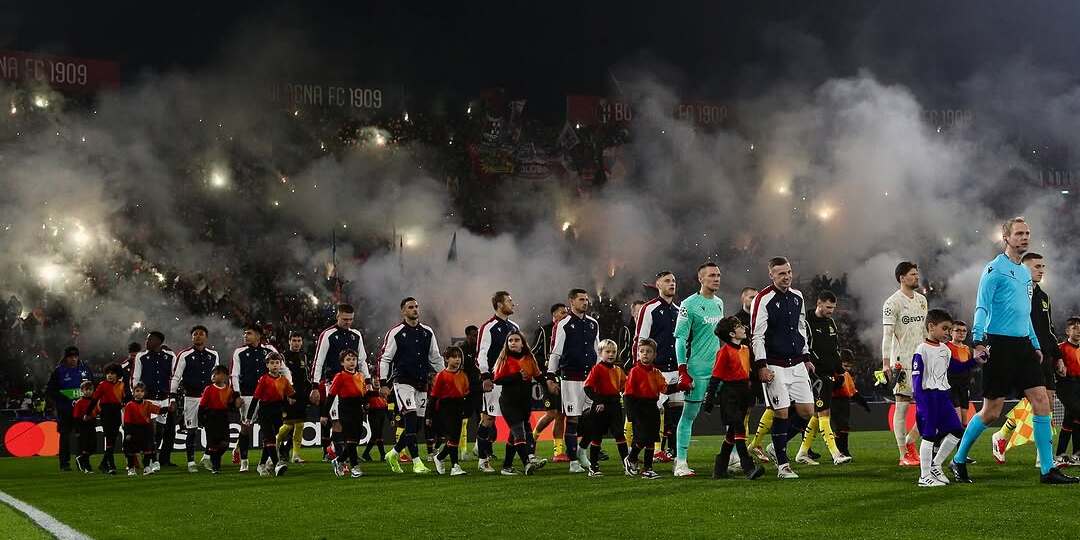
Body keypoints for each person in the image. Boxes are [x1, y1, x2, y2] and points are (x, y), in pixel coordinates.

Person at [950, 217, 1077, 484]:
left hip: (1023, 347)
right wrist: (978, 340)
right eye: (1019, 233)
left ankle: (1047, 469)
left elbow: (1026, 314)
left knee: (1042, 402)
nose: (1024, 237)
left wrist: (1034, 342)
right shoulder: (994, 269)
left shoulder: (1024, 273)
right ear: (1006, 238)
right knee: (992, 411)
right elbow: (982, 307)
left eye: (1027, 233)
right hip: (999, 345)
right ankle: (958, 459)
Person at [991, 252, 1066, 465]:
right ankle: (1043, 458)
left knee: (1042, 403)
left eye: (1043, 266)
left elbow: (1049, 329)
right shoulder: (1014, 293)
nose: (1041, 270)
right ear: (1024, 269)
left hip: (1046, 356)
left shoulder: (1044, 297)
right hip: (1024, 354)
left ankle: (1004, 437)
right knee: (1039, 402)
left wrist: (1058, 356)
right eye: (1037, 266)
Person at [751, 256, 814, 479]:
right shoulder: (762, 299)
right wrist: (761, 365)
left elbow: (801, 327)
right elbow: (757, 335)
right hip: (774, 366)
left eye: (788, 272)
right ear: (771, 275)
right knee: (782, 412)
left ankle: (775, 447)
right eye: (781, 273)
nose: (786, 276)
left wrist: (806, 356)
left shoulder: (797, 297)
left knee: (807, 411)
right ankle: (783, 466)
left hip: (796, 363)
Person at [380, 297, 445, 474]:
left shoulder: (427, 332)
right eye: (411, 307)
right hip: (403, 382)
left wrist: (446, 376)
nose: (415, 309)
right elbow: (385, 359)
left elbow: (435, 358)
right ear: (403, 311)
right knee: (409, 420)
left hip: (422, 383)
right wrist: (383, 383)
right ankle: (417, 462)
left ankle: (393, 453)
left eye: (416, 307)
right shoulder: (396, 332)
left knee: (416, 426)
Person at [672, 262, 725, 477]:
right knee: (690, 415)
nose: (717, 279)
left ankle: (731, 456)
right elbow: (680, 339)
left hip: (718, 370)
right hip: (697, 369)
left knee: (730, 413)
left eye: (719, 275)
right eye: (712, 275)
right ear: (700, 279)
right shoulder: (688, 304)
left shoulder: (720, 303)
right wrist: (683, 370)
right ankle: (681, 462)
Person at [912, 309, 971, 487]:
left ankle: (936, 465)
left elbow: (957, 368)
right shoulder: (921, 349)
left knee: (956, 430)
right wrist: (921, 403)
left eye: (949, 329)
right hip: (928, 398)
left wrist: (976, 361)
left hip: (943, 396)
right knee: (929, 436)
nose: (947, 332)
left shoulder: (945, 350)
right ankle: (924, 476)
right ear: (931, 327)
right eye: (945, 328)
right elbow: (916, 379)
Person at [546, 288, 602, 473]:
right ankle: (573, 462)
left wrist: (602, 372)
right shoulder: (563, 324)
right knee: (573, 419)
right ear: (571, 302)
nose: (585, 302)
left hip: (590, 379)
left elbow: (598, 350)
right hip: (570, 378)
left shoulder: (593, 323)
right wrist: (551, 376)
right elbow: (556, 351)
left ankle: (582, 450)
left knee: (594, 418)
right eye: (581, 299)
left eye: (586, 299)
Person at [704, 316, 766, 480]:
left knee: (732, 433)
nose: (743, 327)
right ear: (732, 333)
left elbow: (750, 375)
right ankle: (748, 467)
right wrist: (710, 397)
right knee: (739, 428)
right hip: (729, 395)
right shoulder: (724, 352)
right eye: (739, 326)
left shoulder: (745, 349)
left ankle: (719, 469)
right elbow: (716, 376)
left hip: (743, 393)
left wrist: (756, 392)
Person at [796, 291, 853, 466]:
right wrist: (816, 368)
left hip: (828, 374)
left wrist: (839, 371)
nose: (831, 311)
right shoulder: (806, 323)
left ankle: (802, 452)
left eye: (833, 308)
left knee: (817, 414)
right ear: (819, 303)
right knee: (824, 413)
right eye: (828, 307)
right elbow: (806, 349)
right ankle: (836, 454)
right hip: (815, 374)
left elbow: (835, 348)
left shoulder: (830, 323)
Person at [881, 261, 928, 466]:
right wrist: (885, 363)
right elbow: (887, 334)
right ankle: (903, 454)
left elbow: (925, 331)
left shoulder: (922, 300)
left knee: (928, 407)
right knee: (901, 407)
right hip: (902, 361)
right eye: (912, 274)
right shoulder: (892, 303)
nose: (916, 277)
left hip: (922, 359)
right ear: (902, 277)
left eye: (917, 274)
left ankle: (910, 441)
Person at [308, 304, 368, 462]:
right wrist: (314, 386)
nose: (348, 322)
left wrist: (367, 381)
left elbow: (362, 360)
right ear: (337, 316)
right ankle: (343, 456)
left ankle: (338, 451)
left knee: (352, 423)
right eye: (345, 319)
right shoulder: (328, 334)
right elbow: (318, 361)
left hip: (354, 384)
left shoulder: (356, 335)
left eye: (351, 319)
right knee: (337, 421)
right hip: (333, 382)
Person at [634, 271, 681, 463]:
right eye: (667, 281)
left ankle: (675, 453)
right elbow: (640, 339)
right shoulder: (649, 308)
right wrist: (639, 369)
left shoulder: (679, 310)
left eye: (674, 280)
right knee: (651, 413)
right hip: (657, 369)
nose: (672, 284)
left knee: (677, 412)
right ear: (658, 285)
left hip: (676, 368)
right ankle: (638, 449)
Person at [231, 324, 288, 472]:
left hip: (268, 398)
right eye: (245, 333)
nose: (245, 336)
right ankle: (244, 461)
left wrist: (288, 386)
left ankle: (264, 462)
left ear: (258, 336)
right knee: (245, 428)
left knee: (271, 431)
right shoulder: (239, 352)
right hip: (248, 395)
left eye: (249, 333)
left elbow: (284, 368)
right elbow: (234, 374)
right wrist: (236, 394)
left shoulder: (270, 350)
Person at [476, 291, 520, 472]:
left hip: (513, 382)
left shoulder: (514, 326)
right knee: (488, 419)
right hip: (495, 381)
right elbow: (482, 354)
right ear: (500, 304)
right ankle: (482, 460)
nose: (513, 304)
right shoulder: (489, 327)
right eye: (510, 301)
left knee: (517, 420)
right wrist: (486, 376)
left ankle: (512, 462)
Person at [493, 331, 546, 475]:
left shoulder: (529, 358)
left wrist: (549, 386)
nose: (513, 343)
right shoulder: (504, 359)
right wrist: (516, 376)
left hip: (524, 403)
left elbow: (538, 376)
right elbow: (497, 379)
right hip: (508, 403)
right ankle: (527, 463)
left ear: (522, 343)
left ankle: (507, 466)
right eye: (510, 340)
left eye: (516, 340)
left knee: (513, 436)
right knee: (519, 432)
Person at [170, 325, 220, 473]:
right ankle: (190, 461)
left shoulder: (213, 354)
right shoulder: (184, 355)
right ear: (192, 337)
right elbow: (176, 377)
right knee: (191, 431)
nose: (198, 336)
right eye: (195, 334)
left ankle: (207, 457)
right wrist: (172, 396)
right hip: (191, 398)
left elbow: (217, 377)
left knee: (212, 431)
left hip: (209, 398)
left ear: (206, 337)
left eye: (201, 334)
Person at [623, 339, 676, 479]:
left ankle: (648, 468)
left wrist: (681, 386)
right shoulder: (634, 371)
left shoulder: (657, 373)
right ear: (638, 354)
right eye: (642, 351)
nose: (645, 354)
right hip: (638, 407)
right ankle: (631, 458)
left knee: (652, 438)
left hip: (653, 407)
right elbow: (628, 394)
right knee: (642, 438)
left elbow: (665, 389)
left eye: (649, 351)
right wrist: (630, 413)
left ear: (654, 355)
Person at [582, 339, 629, 477]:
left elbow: (624, 386)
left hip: (615, 405)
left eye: (614, 352)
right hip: (600, 407)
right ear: (600, 353)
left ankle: (627, 464)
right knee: (597, 436)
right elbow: (587, 387)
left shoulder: (618, 370)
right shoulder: (597, 369)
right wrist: (599, 401)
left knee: (620, 434)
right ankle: (594, 467)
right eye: (607, 351)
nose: (611, 354)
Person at [246, 351, 296, 477]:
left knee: (271, 440)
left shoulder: (284, 380)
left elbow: (291, 396)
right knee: (270, 438)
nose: (275, 365)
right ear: (267, 365)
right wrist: (249, 416)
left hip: (277, 411)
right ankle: (277, 464)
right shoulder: (264, 379)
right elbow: (255, 398)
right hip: (265, 411)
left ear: (280, 365)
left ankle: (261, 465)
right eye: (272, 363)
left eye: (277, 363)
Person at [132, 331, 178, 470]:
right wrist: (137, 396)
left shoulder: (170, 356)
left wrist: (173, 397)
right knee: (151, 430)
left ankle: (154, 458)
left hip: (164, 399)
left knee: (161, 431)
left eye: (150, 339)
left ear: (159, 341)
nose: (147, 342)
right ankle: (152, 459)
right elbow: (136, 377)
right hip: (148, 399)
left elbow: (175, 377)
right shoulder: (141, 356)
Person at [45, 345, 92, 471]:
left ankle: (81, 461)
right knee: (65, 436)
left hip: (82, 411)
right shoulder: (59, 371)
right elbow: (50, 391)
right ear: (65, 358)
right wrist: (63, 397)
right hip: (65, 410)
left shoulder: (85, 369)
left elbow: (93, 386)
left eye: (75, 357)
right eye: (71, 357)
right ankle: (64, 463)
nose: (73, 359)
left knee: (82, 437)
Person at [532, 303, 569, 462]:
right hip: (548, 377)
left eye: (566, 312)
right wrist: (543, 370)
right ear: (554, 314)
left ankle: (558, 452)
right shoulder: (543, 330)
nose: (566, 315)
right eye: (562, 312)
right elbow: (534, 353)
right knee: (552, 414)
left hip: (565, 376)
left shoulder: (569, 329)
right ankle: (533, 437)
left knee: (561, 414)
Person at [328, 349, 369, 478]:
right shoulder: (339, 376)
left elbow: (363, 394)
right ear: (342, 363)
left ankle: (339, 460)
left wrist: (366, 403)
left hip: (358, 409)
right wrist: (324, 414)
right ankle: (355, 467)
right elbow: (331, 396)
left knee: (354, 441)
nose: (351, 362)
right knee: (350, 439)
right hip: (345, 409)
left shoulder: (361, 376)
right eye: (348, 360)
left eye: (353, 359)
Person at [430, 346, 470, 476]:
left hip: (459, 407)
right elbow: (434, 396)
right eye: (454, 357)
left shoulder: (463, 375)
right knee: (452, 436)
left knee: (455, 439)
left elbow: (465, 393)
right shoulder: (441, 375)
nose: (457, 360)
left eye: (459, 357)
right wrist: (429, 416)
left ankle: (440, 457)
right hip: (445, 408)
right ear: (446, 359)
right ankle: (455, 466)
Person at [198, 365, 241, 474]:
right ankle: (216, 467)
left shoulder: (229, 390)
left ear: (224, 376)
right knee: (213, 444)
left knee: (225, 443)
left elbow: (231, 406)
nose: (213, 376)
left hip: (223, 418)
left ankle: (214, 459)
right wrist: (201, 420)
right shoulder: (209, 389)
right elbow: (202, 406)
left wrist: (237, 405)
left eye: (216, 374)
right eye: (213, 374)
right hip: (211, 418)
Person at [277, 332, 310, 464]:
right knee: (288, 426)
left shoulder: (304, 356)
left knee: (300, 425)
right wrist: (288, 394)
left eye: (299, 340)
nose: (296, 343)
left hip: (301, 395)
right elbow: (282, 376)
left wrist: (311, 391)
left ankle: (295, 455)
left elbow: (305, 376)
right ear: (289, 341)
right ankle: (275, 445)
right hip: (288, 395)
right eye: (294, 340)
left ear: (302, 342)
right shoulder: (283, 356)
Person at [831, 350, 870, 458]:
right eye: (845, 365)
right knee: (840, 427)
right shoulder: (834, 372)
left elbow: (853, 392)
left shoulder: (846, 375)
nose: (848, 368)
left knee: (844, 427)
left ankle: (843, 451)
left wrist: (864, 404)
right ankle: (840, 452)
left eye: (849, 365)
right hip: (834, 402)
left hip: (845, 402)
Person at [123, 382, 162, 476]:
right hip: (134, 429)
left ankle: (147, 467)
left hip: (146, 429)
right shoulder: (129, 405)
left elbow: (159, 410)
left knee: (147, 448)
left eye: (141, 391)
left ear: (144, 393)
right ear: (133, 392)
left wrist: (168, 408)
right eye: (137, 391)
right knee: (131, 450)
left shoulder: (148, 404)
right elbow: (127, 421)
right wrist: (128, 433)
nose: (139, 393)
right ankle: (131, 468)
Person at [93, 363, 126, 474]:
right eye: (108, 373)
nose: (109, 375)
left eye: (112, 373)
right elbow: (94, 399)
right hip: (106, 413)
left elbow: (126, 400)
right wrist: (88, 413)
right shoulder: (102, 385)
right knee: (109, 438)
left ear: (117, 375)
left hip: (117, 413)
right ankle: (111, 465)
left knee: (112, 439)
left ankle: (103, 463)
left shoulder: (122, 385)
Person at [1055, 318, 1080, 462]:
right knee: (1077, 413)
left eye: (1079, 327)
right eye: (1074, 327)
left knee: (1070, 418)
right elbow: (1053, 365)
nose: (1078, 330)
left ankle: (1063, 454)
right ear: (1067, 331)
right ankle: (1076, 453)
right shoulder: (1060, 348)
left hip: (1078, 385)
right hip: (1066, 385)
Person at [945, 321, 977, 429]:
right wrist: (975, 360)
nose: (961, 333)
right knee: (957, 423)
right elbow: (955, 367)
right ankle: (936, 444)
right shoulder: (946, 347)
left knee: (964, 423)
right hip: (951, 387)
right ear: (951, 332)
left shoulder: (967, 349)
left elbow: (968, 368)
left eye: (964, 331)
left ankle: (960, 446)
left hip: (964, 388)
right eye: (958, 330)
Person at [457, 325, 481, 460]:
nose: (476, 337)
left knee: (482, 418)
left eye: (477, 335)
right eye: (473, 335)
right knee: (464, 420)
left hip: (479, 389)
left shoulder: (480, 349)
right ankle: (463, 451)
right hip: (466, 390)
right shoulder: (462, 350)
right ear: (467, 336)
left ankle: (480, 448)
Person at [72, 381, 98, 474]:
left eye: (90, 389)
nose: (88, 391)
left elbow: (97, 412)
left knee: (93, 446)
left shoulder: (94, 401)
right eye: (86, 390)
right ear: (82, 391)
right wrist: (77, 431)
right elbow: (75, 418)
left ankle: (81, 458)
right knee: (85, 447)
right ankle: (87, 467)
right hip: (83, 426)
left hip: (92, 425)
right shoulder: (79, 402)